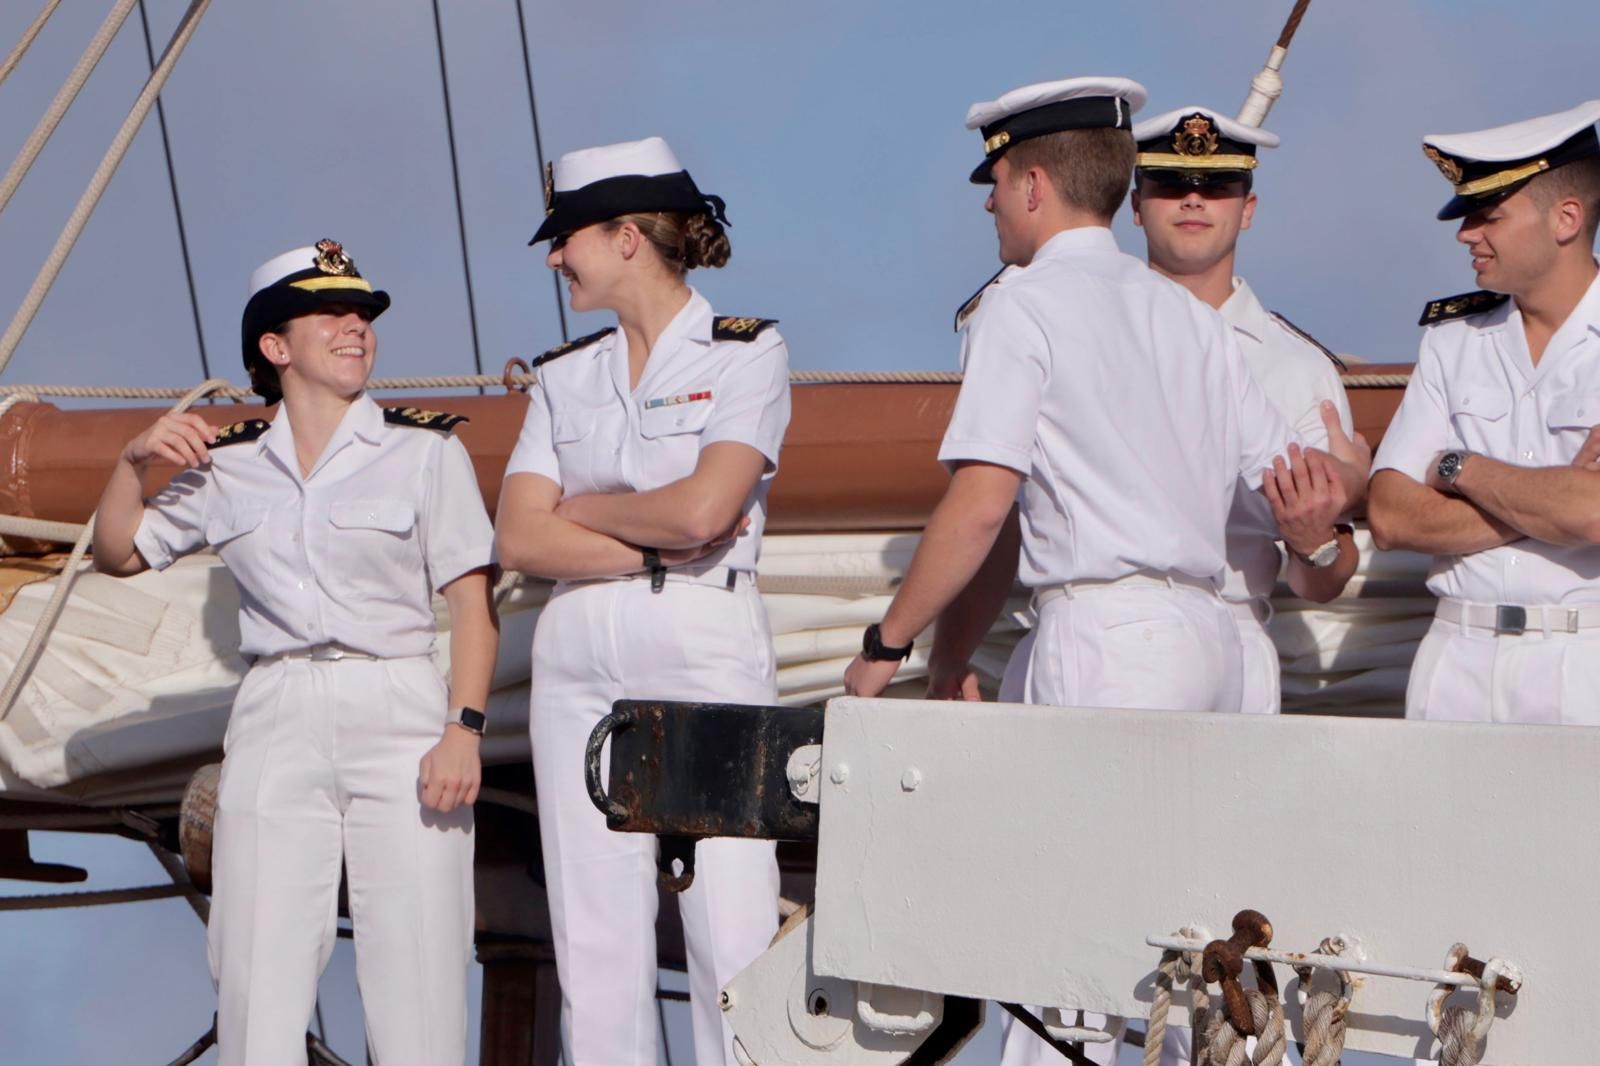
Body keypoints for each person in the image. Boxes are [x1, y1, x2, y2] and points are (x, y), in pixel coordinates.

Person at [839, 76, 1369, 1066]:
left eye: (993, 181)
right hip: (1219, 653)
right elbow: (1294, 496)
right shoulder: (1191, 323)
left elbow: (986, 504)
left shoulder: (1022, 307)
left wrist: (888, 643)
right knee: (1208, 970)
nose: (988, 202)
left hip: (1106, 643)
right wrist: (1330, 515)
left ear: (1032, 183)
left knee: (1063, 966)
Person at [91, 241, 499, 1065]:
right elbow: (119, 551)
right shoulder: (229, 463)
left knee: (419, 972)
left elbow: (472, 606)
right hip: (276, 710)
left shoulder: (425, 452)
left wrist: (465, 727)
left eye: (364, 315)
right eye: (332, 314)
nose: (356, 327)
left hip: (401, 708)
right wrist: (134, 464)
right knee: (254, 971)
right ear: (275, 348)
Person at [496, 136, 788, 1066]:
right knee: (594, 940)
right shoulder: (562, 376)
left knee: (730, 932)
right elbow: (518, 535)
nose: (553, 257)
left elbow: (709, 505)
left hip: (704, 644)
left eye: (567, 236)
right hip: (579, 658)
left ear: (626, 237)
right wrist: (651, 541)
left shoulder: (749, 353)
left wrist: (585, 512)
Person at [1369, 100, 1600, 732]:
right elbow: (1390, 515)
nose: (1466, 233)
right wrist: (1551, 503)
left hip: (1582, 664)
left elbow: (1594, 513)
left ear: (1567, 219)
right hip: (1454, 661)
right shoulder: (1453, 340)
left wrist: (1458, 467)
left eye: (1489, 214)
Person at [1131, 104, 1363, 716]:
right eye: (1170, 185)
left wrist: (1312, 542)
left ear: (1248, 209)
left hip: (1232, 633)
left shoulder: (1299, 369)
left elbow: (1325, 575)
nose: (1193, 200)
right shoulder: (1084, 337)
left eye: (1216, 187)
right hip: (1104, 624)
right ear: (1134, 206)